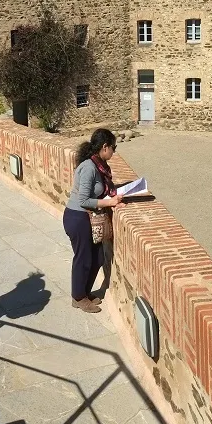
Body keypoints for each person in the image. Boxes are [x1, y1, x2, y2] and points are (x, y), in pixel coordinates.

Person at [64, 128, 122, 313]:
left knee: (97, 258)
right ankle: (78, 297)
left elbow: (99, 190)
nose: (114, 150)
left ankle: (85, 292)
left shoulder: (99, 166)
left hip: (87, 217)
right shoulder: (89, 167)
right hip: (78, 217)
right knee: (84, 259)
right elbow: (83, 200)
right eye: (113, 147)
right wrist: (109, 202)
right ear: (104, 147)